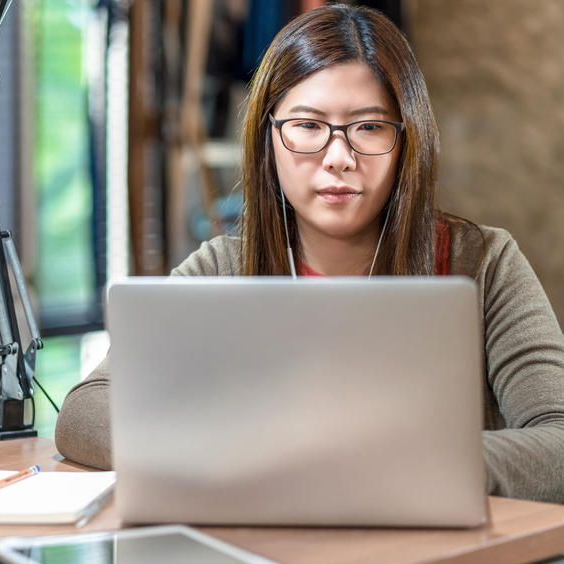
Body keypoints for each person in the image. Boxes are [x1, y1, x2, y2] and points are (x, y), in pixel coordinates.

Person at [55, 4, 564, 503]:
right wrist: (239, 449)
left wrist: (393, 461)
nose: (339, 158)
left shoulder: (484, 262)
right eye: (307, 126)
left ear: (407, 140)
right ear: (268, 137)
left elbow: (558, 442)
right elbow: (86, 413)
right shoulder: (221, 270)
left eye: (369, 127)